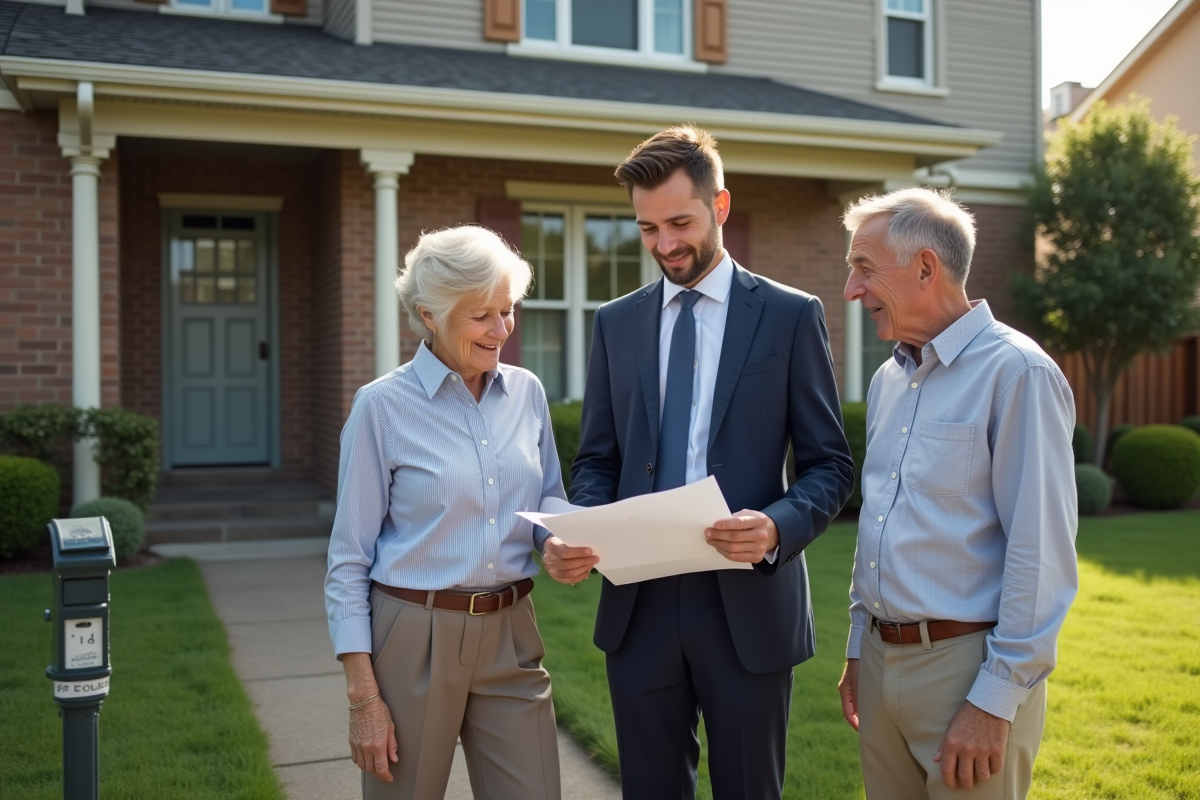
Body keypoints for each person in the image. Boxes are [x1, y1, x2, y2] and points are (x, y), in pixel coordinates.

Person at [543, 125, 854, 800]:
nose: (664, 245)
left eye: (679, 222)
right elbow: (597, 457)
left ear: (721, 206)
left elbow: (830, 465)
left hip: (747, 605)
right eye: (647, 229)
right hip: (640, 609)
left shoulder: (789, 316)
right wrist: (582, 527)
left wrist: (775, 527)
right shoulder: (616, 323)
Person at [837, 188, 1078, 799]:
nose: (851, 290)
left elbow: (1041, 554)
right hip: (879, 660)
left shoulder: (1018, 373)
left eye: (864, 268)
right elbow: (881, 523)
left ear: (925, 267)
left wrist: (994, 702)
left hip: (965, 674)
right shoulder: (890, 378)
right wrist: (858, 645)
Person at [324, 225, 565, 800]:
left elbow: (548, 497)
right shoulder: (381, 408)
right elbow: (348, 560)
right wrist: (364, 697)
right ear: (430, 314)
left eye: (508, 311)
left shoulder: (527, 393)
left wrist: (555, 539)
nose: (502, 329)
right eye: (482, 314)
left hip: (511, 631)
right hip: (413, 635)